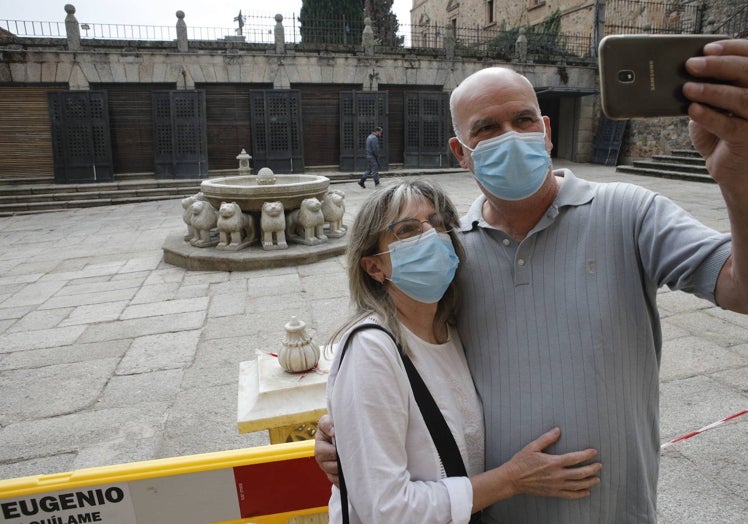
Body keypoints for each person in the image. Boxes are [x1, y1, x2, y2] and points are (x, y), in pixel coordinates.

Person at [316, 38, 748, 523]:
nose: (509, 137)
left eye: (522, 120)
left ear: (545, 131)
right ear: (463, 153)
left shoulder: (629, 213)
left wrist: (738, 180)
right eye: (487, 129)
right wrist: (349, 428)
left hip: (613, 508)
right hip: (494, 513)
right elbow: (413, 357)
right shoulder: (454, 254)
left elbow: (738, 287)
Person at [326, 179, 601, 523]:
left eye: (438, 224)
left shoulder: (452, 329)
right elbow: (387, 511)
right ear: (374, 267)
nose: (432, 236)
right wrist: (511, 479)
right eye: (408, 230)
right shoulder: (372, 350)